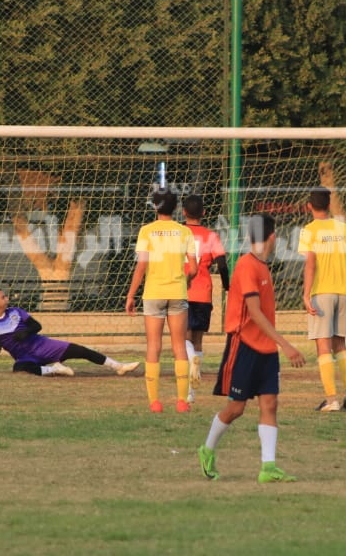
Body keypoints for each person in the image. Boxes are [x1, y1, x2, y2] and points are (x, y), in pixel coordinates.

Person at [198, 213, 306, 483]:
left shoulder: (262, 265)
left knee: (270, 404)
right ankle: (207, 449)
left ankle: (268, 467)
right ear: (272, 237)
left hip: (266, 349)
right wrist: (286, 344)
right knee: (236, 408)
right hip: (244, 345)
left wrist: (275, 344)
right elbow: (255, 313)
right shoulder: (247, 266)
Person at [125, 189, 197, 414]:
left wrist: (130, 294)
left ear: (154, 207)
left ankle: (155, 402)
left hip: (153, 293)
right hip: (177, 293)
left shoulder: (147, 231)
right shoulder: (184, 232)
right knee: (179, 347)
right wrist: (185, 280)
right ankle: (182, 402)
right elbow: (193, 267)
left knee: (153, 346)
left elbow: (141, 266)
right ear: (176, 208)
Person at [0, 287, 140, 377]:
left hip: (42, 345)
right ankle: (55, 369)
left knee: (81, 350)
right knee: (20, 369)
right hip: (25, 356)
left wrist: (25, 332)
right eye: (3, 297)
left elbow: (37, 326)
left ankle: (118, 366)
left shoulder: (16, 312)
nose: (6, 298)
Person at [298, 187, 346, 412]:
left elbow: (311, 264)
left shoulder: (309, 230)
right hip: (343, 291)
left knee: (323, 347)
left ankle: (332, 399)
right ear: (328, 204)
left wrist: (306, 295)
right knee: (340, 345)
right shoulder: (344, 229)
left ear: (309, 206)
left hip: (322, 293)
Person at [182, 195, 230, 403]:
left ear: (183, 212)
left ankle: (188, 393)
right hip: (203, 293)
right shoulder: (211, 236)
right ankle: (193, 386)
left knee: (184, 339)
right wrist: (228, 286)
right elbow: (222, 264)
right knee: (198, 340)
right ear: (203, 213)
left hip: (181, 290)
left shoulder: (179, 233)